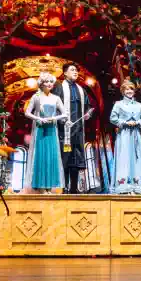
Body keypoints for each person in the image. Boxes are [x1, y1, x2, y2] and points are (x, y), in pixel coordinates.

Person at [51, 63, 93, 194]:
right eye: (72, 70)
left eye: (76, 70)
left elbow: (87, 106)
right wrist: (62, 119)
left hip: (78, 129)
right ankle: (63, 187)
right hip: (64, 130)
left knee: (76, 159)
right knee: (65, 158)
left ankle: (74, 188)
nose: (75, 72)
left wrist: (88, 113)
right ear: (65, 73)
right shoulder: (59, 87)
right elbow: (54, 106)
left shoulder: (82, 90)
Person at [23, 72, 66, 194]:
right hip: (40, 130)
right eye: (47, 81)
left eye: (51, 82)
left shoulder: (56, 98)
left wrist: (54, 118)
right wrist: (39, 119)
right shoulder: (36, 97)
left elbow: (64, 114)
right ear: (41, 83)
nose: (49, 84)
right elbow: (27, 112)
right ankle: (41, 186)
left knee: (52, 156)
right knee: (40, 156)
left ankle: (49, 187)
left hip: (52, 130)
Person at [109, 80, 141, 195]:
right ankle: (124, 187)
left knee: (136, 158)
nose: (129, 91)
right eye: (127, 89)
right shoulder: (118, 104)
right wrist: (124, 123)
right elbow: (113, 118)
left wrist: (138, 122)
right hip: (124, 134)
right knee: (124, 158)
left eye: (131, 89)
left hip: (135, 134)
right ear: (123, 91)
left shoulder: (139, 105)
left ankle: (137, 187)